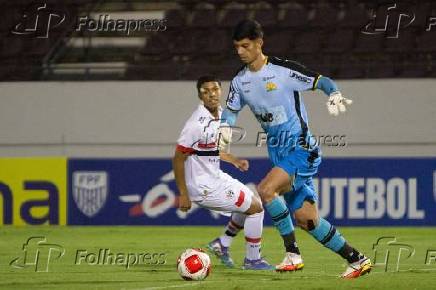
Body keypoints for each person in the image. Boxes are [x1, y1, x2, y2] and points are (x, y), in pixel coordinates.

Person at [219, 19, 372, 278]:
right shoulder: (240, 81)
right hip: (279, 153)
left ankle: (292, 254)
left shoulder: (282, 70)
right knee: (306, 220)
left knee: (266, 190)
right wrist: (225, 127)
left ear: (259, 43)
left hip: (302, 149)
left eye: (245, 46)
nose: (240, 51)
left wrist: (333, 93)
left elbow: (321, 80)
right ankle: (358, 260)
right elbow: (232, 112)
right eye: (237, 47)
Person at [173, 75, 273, 270]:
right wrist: (183, 194)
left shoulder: (220, 114)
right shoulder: (196, 124)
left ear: (220, 91)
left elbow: (214, 149)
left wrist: (234, 160)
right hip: (203, 187)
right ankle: (253, 260)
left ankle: (222, 243)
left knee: (250, 203)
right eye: (206, 91)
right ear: (199, 95)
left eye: (215, 89)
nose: (211, 94)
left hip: (215, 177)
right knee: (256, 208)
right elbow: (178, 158)